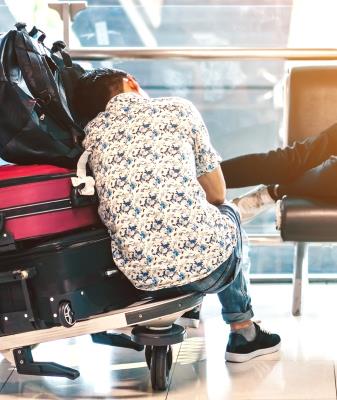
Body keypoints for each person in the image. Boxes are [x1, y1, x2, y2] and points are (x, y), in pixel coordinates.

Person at [74, 68, 280, 363]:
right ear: (131, 82)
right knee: (226, 215)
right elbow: (217, 194)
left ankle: (189, 313)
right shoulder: (177, 109)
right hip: (210, 271)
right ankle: (243, 330)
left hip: (139, 279)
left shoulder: (91, 137)